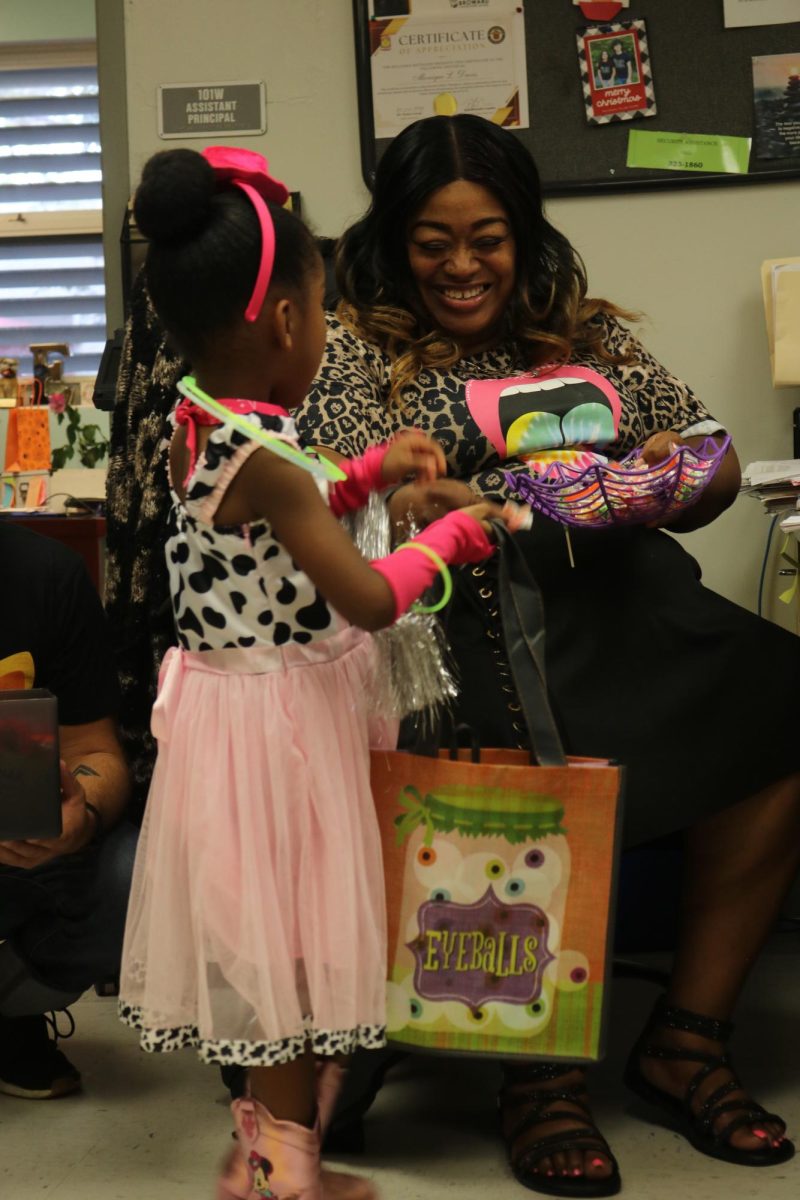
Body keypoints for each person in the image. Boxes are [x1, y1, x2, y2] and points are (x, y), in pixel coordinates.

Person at [295, 113, 800, 1194]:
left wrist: (673, 468)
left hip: (622, 610)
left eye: (488, 237)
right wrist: (403, 495)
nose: (464, 265)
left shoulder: (584, 337)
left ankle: (685, 1042)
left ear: (524, 236)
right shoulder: (348, 343)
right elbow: (319, 501)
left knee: (780, 695)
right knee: (516, 726)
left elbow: (702, 457)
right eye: (434, 240)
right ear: (394, 236)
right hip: (453, 629)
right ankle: (536, 1077)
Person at [116, 144, 506, 1200]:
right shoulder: (275, 464)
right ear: (285, 322)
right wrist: (451, 544)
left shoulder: (201, 422)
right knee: (291, 958)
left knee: (269, 949)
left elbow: (278, 521)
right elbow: (370, 599)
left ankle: (268, 1149)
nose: (326, 327)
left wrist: (369, 475)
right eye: (323, 307)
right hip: (281, 729)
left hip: (230, 716)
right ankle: (286, 1172)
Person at [0, 519, 131, 1099]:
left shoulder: (46, 574)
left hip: (18, 853)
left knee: (134, 877)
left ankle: (8, 1015)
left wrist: (81, 813)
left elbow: (96, 752)